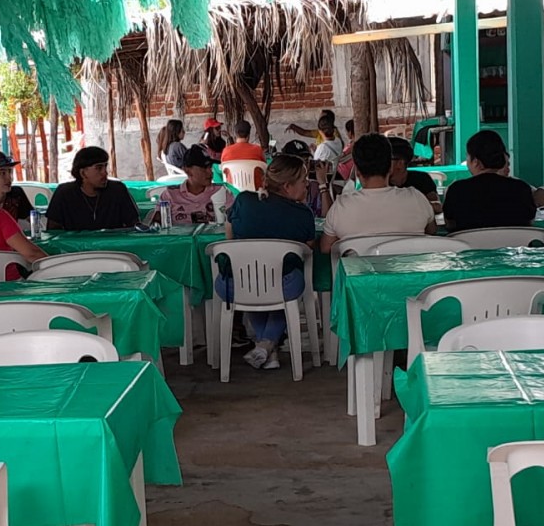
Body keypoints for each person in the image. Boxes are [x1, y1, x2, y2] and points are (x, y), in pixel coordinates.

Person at [218, 154, 315, 370]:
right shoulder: (303, 214)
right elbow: (308, 249)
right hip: (283, 285)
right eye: (303, 180)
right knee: (281, 286)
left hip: (235, 285)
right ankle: (268, 345)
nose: (307, 185)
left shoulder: (243, 200)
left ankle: (265, 350)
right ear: (288, 186)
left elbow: (229, 235)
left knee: (251, 281)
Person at [320, 133, 437, 253]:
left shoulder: (341, 206)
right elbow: (431, 231)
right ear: (390, 168)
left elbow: (326, 248)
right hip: (408, 270)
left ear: (357, 171)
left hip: (361, 271)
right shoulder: (416, 198)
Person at [443, 131, 537, 232]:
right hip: (513, 245)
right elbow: (529, 222)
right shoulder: (521, 188)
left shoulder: (457, 190)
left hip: (471, 246)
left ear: (475, 161)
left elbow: (450, 225)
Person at [45, 146, 139, 231]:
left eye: (105, 167)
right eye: (98, 168)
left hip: (114, 248)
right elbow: (53, 231)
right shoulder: (64, 193)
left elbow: (135, 225)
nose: (105, 173)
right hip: (77, 249)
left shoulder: (118, 190)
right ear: (83, 173)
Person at [156, 146, 234, 225]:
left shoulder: (221, 192)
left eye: (210, 167)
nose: (210, 172)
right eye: (204, 168)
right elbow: (157, 226)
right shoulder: (170, 196)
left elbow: (234, 222)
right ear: (188, 171)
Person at [388, 137, 442, 214]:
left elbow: (437, 207)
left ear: (400, 163)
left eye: (386, 159)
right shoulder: (379, 182)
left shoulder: (422, 179)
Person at [0, 152, 34, 223]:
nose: (9, 178)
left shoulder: (16, 194)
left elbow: (35, 220)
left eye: (10, 172)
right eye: (2, 173)